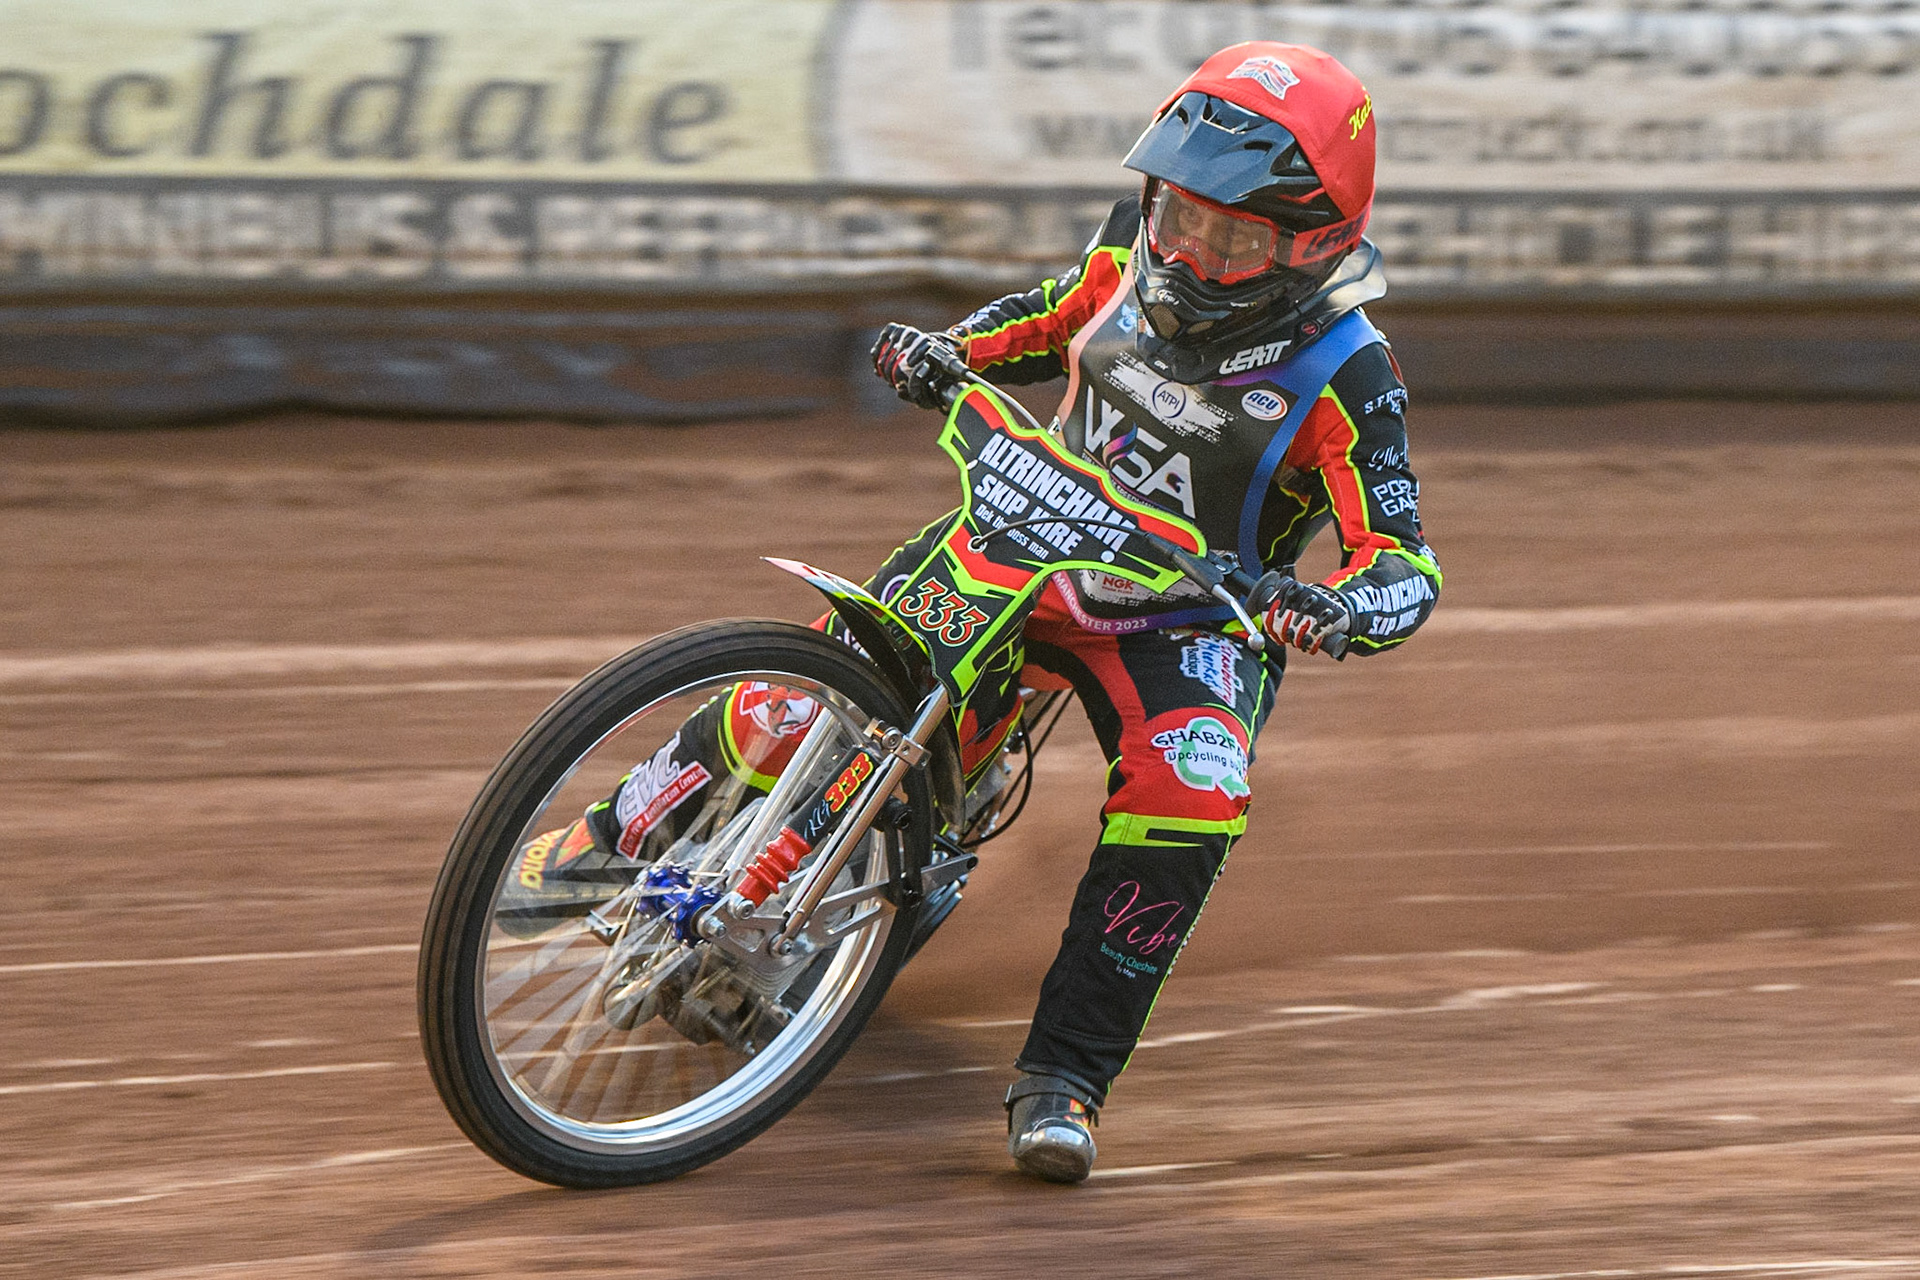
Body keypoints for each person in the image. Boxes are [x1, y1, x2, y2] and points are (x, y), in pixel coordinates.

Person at [507, 40, 1440, 1185]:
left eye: (1233, 238)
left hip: (1187, 618)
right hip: (1026, 534)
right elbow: (1049, 318)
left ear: (1317, 242)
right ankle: (606, 837)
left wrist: (1337, 605)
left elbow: (1404, 558)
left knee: (1193, 793)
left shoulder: (1351, 370)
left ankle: (1066, 1074)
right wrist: (949, 350)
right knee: (804, 695)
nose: (1189, 251)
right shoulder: (1129, 249)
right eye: (1178, 214)